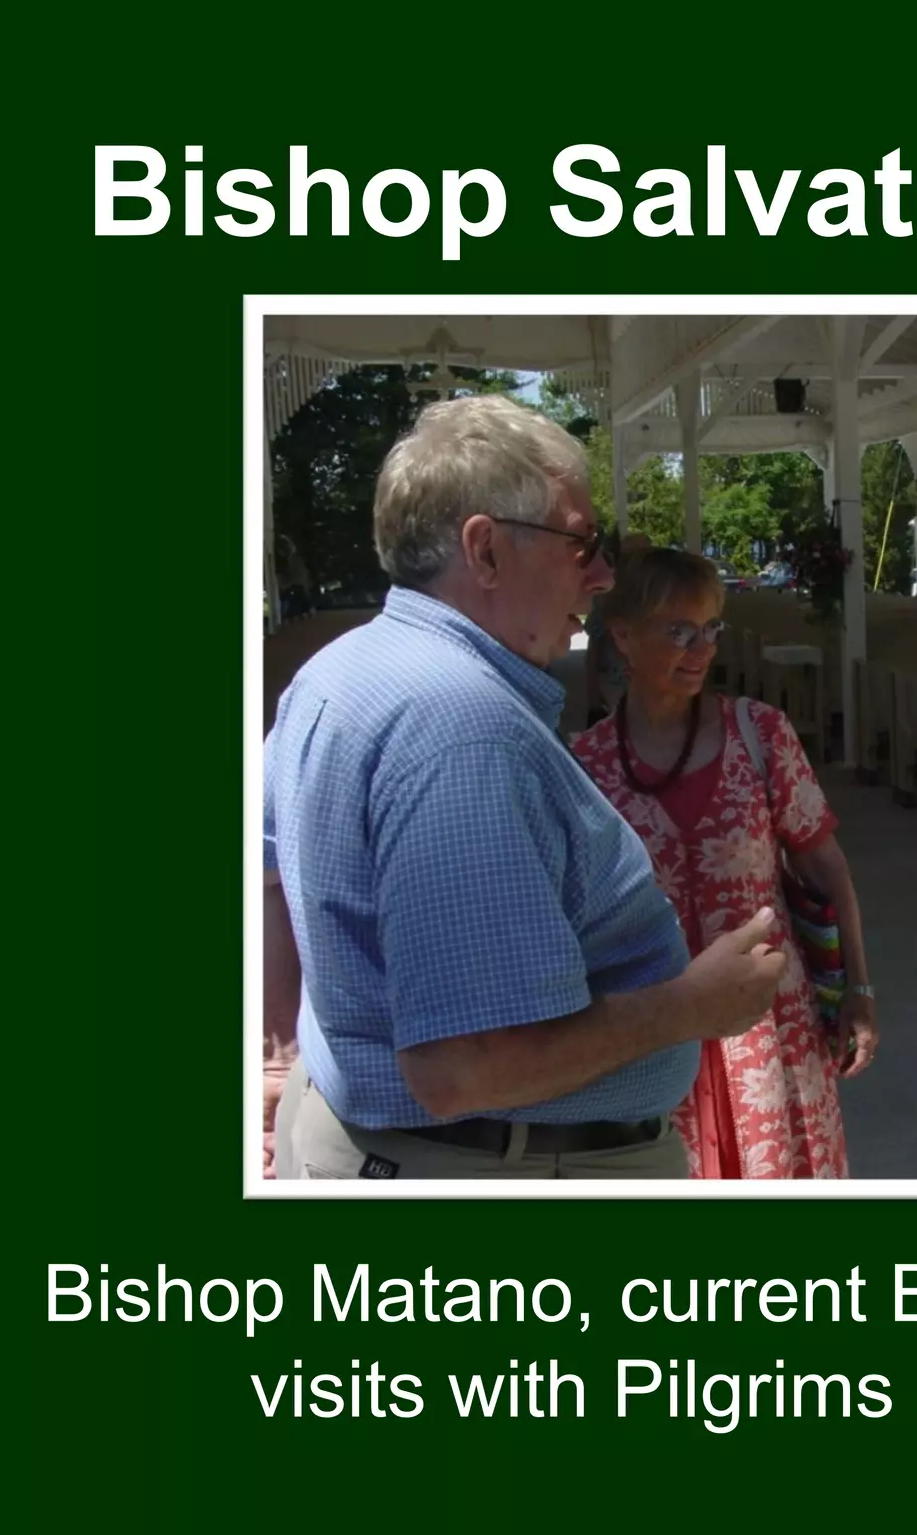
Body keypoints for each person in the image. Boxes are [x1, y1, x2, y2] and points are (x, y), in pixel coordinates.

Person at [263, 394, 786, 1181]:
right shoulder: (464, 727)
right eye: (582, 544)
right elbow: (461, 1071)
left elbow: (271, 868)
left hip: (390, 1141)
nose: (605, 574)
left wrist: (279, 1054)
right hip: (496, 1165)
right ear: (484, 552)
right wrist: (692, 1005)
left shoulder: (335, 672)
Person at [571, 549, 877, 1179]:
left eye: (710, 628)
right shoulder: (586, 764)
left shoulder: (761, 735)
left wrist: (859, 990)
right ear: (623, 635)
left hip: (769, 1028)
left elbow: (827, 868)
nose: (701, 648)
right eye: (678, 630)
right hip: (654, 1030)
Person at [584, 531, 651, 723]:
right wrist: (593, 699)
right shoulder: (606, 595)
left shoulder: (661, 596)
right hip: (614, 687)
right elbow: (594, 648)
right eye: (631, 556)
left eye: (645, 555)